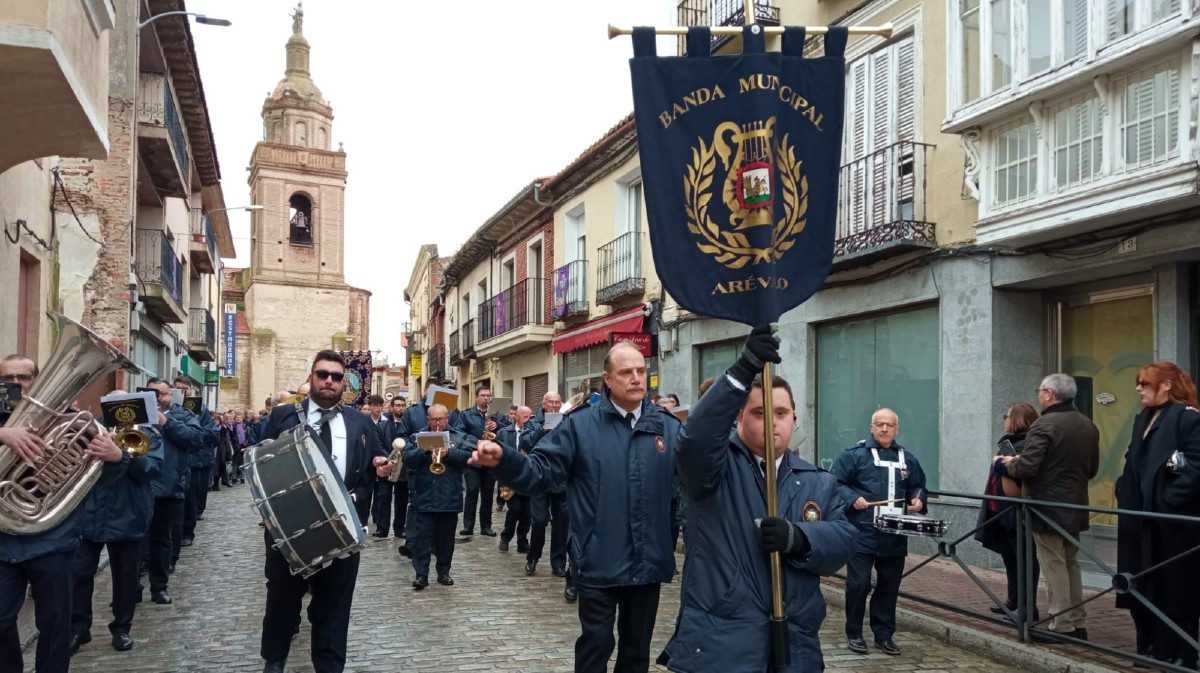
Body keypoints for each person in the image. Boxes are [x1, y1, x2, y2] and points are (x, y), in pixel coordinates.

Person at [470, 341, 682, 673]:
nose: (637, 378)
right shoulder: (579, 425)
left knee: (637, 652)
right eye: (626, 372)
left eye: (641, 370)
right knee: (595, 646)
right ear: (608, 379)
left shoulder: (668, 427)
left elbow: (697, 479)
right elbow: (538, 471)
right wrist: (505, 460)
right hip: (597, 560)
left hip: (647, 564)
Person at [659, 326, 857, 672]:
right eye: (760, 413)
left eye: (781, 414)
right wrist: (743, 370)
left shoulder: (816, 481)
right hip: (723, 641)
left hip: (794, 642)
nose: (773, 424)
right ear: (738, 418)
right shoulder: (713, 469)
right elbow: (697, 438)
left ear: (795, 417)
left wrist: (800, 538)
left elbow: (844, 540)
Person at [256, 350, 389, 673]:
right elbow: (260, 467)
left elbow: (377, 463)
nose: (329, 381)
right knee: (282, 601)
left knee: (334, 606)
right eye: (322, 374)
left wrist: (383, 466)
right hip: (290, 528)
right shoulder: (284, 417)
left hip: (342, 528)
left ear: (344, 383)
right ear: (311, 378)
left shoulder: (359, 422)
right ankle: (275, 660)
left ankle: (329, 666)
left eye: (336, 376)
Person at [0, 354, 129, 673]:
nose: (15, 384)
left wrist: (115, 457)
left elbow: (98, 480)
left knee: (56, 624)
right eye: (8, 379)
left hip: (53, 539)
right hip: (3, 543)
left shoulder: (73, 421)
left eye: (23, 378)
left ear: (37, 382)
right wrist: (3, 435)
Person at [995, 373, 1099, 643]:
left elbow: (1027, 466)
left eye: (1040, 391)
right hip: (1075, 505)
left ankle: (1061, 624)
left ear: (1050, 395)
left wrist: (1004, 463)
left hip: (1046, 507)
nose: (1038, 395)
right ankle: (1078, 623)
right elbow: (1093, 469)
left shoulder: (1044, 425)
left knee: (1054, 565)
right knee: (1070, 563)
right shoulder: (1087, 424)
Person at [1116, 361, 1200, 667]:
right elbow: (1132, 460)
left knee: (1175, 589)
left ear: (1166, 385)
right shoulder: (1144, 418)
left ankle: (1181, 653)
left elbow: (1196, 467)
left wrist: (1167, 501)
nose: (1138, 389)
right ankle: (1148, 649)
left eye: (1145, 383)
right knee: (1140, 584)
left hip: (1171, 525)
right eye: (1138, 383)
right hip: (1139, 520)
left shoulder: (1188, 418)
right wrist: (1123, 488)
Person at [72, 390, 164, 653]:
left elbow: (152, 469)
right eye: (113, 403)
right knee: (79, 574)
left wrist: (120, 456)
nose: (119, 407)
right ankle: (79, 630)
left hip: (129, 511)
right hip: (90, 511)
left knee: (125, 577)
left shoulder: (150, 432)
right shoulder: (89, 428)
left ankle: (122, 628)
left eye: (124, 403)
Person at [831, 407, 928, 656]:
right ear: (872, 427)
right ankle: (854, 633)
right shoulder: (853, 455)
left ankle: (884, 635)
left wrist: (918, 501)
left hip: (894, 534)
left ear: (897, 429)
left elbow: (918, 485)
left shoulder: (908, 459)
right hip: (861, 531)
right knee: (859, 584)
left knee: (888, 586)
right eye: (880, 424)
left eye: (889, 425)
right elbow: (835, 483)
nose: (884, 429)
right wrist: (853, 498)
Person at [140, 378, 207, 605]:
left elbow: (197, 439)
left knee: (162, 540)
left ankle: (159, 586)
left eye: (163, 393)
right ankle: (132, 588)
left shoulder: (184, 414)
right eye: (153, 393)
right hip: (138, 486)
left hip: (168, 487)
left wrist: (166, 422)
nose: (159, 398)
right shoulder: (134, 412)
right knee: (135, 542)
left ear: (172, 395)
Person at [974, 402, 1041, 621]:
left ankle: (1026, 608)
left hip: (1018, 512)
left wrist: (999, 462)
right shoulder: (1010, 442)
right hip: (1001, 511)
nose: (1004, 419)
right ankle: (1013, 601)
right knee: (1010, 558)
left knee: (1023, 560)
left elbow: (1020, 471)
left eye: (1007, 415)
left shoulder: (1027, 444)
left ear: (1020, 419)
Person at [398, 404, 475, 589]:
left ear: (447, 418)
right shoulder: (417, 437)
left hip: (449, 496)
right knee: (421, 539)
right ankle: (421, 575)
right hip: (424, 494)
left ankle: (444, 572)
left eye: (441, 419)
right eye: (434, 419)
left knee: (446, 540)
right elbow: (408, 459)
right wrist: (423, 449)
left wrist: (450, 453)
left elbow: (469, 458)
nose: (438, 423)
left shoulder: (458, 436)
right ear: (428, 419)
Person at [526, 391, 569, 578]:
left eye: (557, 402)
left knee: (562, 523)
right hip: (540, 476)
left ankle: (558, 562)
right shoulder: (534, 421)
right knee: (539, 520)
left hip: (561, 477)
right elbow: (526, 443)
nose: (554, 405)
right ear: (543, 404)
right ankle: (533, 557)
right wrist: (542, 428)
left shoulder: (568, 420)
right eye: (550, 402)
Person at [459, 385, 499, 538]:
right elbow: (460, 433)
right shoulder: (466, 415)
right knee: (472, 491)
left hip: (489, 460)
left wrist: (497, 425)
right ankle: (468, 526)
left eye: (488, 396)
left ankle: (486, 526)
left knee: (488, 494)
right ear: (476, 397)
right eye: (483, 395)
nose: (486, 398)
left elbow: (507, 428)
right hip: (473, 459)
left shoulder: (496, 415)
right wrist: (476, 442)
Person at [496, 406, 535, 555]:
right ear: (516, 417)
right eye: (525, 417)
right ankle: (506, 537)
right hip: (511, 478)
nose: (528, 420)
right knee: (515, 509)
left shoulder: (533, 433)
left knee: (527, 513)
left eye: (530, 417)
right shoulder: (504, 433)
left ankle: (522, 541)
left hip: (528, 477)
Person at [372, 396, 410, 540]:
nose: (400, 408)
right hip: (386, 465)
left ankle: (400, 528)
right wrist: (387, 459)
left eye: (402, 405)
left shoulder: (408, 425)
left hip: (404, 467)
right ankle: (382, 529)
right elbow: (378, 444)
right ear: (392, 407)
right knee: (383, 497)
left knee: (402, 500)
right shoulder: (382, 425)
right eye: (398, 405)